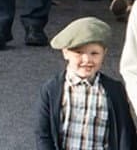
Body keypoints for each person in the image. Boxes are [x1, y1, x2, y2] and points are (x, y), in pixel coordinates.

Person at [38, 17, 136, 150]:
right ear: (65, 53)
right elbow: (43, 134)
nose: (87, 59)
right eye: (79, 52)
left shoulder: (114, 90)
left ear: (104, 53)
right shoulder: (52, 89)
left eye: (94, 53)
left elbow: (126, 132)